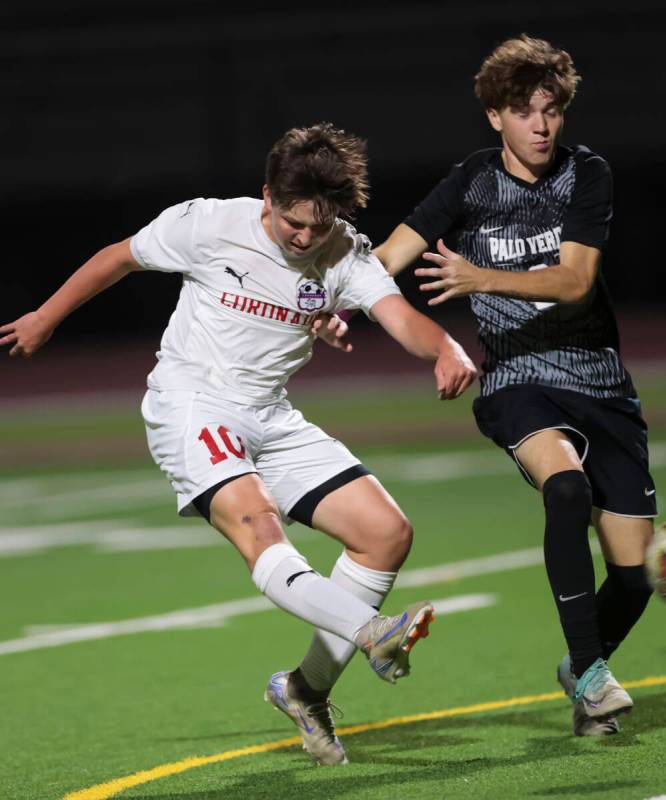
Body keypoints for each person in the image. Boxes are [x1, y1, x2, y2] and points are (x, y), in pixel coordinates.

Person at [0, 123, 477, 764]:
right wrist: (45, 318)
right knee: (259, 522)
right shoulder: (208, 224)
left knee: (385, 533)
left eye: (319, 224)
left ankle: (305, 691)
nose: (304, 237)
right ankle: (370, 632)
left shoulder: (344, 251)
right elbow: (120, 256)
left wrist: (444, 347)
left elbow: (399, 318)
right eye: (292, 223)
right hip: (191, 402)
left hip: (271, 416)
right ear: (266, 197)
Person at [374, 35, 656, 737]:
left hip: (599, 382)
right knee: (564, 489)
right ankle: (592, 681)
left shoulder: (586, 175)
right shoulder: (469, 182)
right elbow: (386, 257)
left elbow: (574, 280)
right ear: (494, 116)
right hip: (516, 380)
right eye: (523, 111)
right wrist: (323, 304)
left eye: (551, 110)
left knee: (635, 575)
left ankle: (579, 665)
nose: (540, 125)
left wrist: (478, 277)